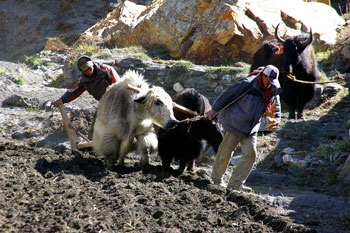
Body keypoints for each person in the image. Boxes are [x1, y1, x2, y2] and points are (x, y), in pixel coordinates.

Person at [207, 65, 282, 192]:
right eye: (268, 80)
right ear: (263, 76)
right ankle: (216, 180)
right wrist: (214, 109)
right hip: (234, 122)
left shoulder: (272, 90)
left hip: (251, 127)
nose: (270, 84)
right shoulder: (247, 84)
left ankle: (235, 184)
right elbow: (227, 94)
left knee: (251, 154)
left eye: (272, 82)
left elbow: (272, 107)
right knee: (226, 152)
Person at [53, 56, 120, 139]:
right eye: (85, 70)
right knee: (95, 128)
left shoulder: (106, 70)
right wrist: (62, 100)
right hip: (103, 103)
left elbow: (118, 86)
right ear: (82, 71)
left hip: (117, 101)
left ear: (92, 64)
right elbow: (73, 91)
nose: (89, 72)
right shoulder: (84, 80)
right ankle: (92, 147)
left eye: (89, 69)